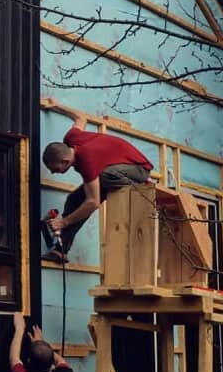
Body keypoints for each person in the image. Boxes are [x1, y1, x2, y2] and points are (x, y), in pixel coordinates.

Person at [41, 102, 153, 262]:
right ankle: (61, 250)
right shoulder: (71, 138)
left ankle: (140, 184)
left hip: (139, 169)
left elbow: (93, 202)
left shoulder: (87, 161)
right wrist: (56, 105)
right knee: (74, 199)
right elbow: (80, 117)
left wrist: (63, 222)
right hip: (117, 169)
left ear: (66, 161)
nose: (53, 172)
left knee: (102, 178)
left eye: (55, 169)